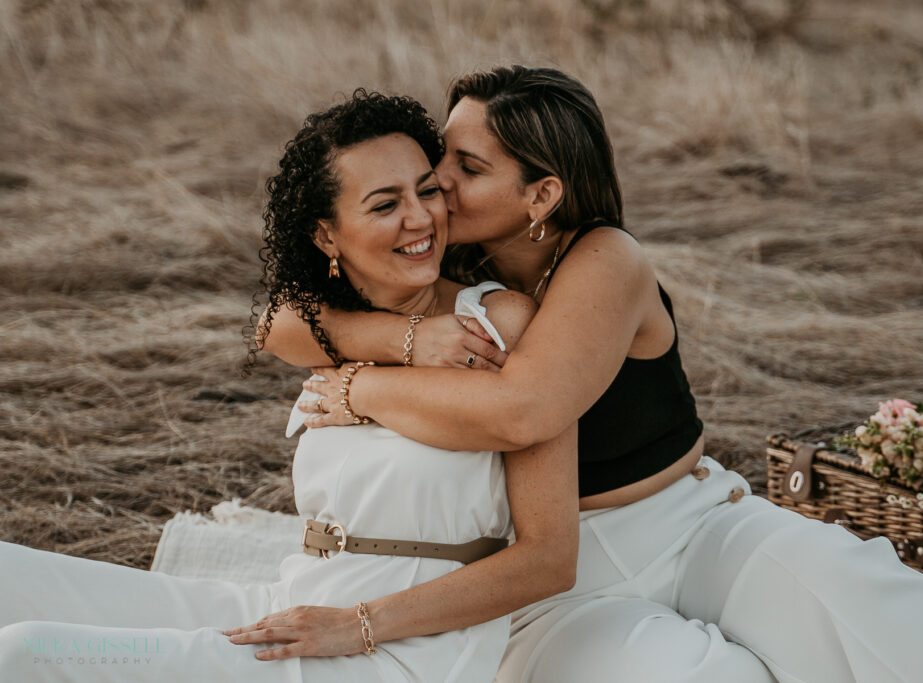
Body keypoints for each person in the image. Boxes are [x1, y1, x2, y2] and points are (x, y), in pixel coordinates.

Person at [262, 66, 923, 682]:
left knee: (883, 616)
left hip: (691, 528)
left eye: (464, 167)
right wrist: (408, 335)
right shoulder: (450, 259)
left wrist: (363, 385)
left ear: (542, 194)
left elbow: (523, 411)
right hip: (548, 573)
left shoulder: (605, 259)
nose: (436, 188)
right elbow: (276, 322)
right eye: (437, 165)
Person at [0, 90, 579, 683]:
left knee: (27, 654)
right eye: (385, 205)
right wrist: (408, 340)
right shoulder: (330, 327)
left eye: (427, 190)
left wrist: (356, 624)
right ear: (328, 237)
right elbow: (273, 322)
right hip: (300, 600)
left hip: (403, 651)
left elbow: (549, 561)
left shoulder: (498, 323)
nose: (421, 217)